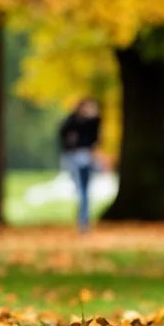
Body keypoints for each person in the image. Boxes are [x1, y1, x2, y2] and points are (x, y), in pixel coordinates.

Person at [58, 98, 101, 233]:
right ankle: (83, 220)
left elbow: (95, 138)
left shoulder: (93, 122)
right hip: (76, 157)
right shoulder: (73, 121)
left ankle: (84, 219)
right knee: (82, 190)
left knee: (85, 191)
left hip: (87, 157)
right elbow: (63, 133)